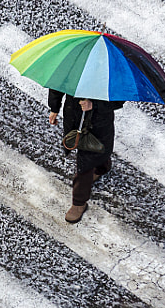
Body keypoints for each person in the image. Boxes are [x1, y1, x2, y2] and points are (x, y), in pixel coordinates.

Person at [48, 90, 123, 223]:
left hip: (98, 123)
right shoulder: (71, 68)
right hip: (74, 116)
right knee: (97, 151)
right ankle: (102, 167)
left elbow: (119, 98)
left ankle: (79, 202)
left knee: (85, 163)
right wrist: (54, 107)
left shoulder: (113, 72)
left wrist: (94, 105)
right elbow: (58, 84)